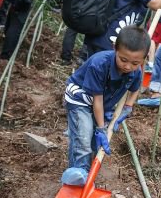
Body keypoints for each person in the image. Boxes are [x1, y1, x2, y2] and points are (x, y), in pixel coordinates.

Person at [61, 25, 150, 186]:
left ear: (144, 59)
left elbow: (134, 90)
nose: (128, 66)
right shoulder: (99, 64)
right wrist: (101, 128)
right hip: (80, 99)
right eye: (123, 59)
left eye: (135, 62)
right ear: (115, 49)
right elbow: (97, 100)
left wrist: (128, 107)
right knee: (83, 139)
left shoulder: (135, 72)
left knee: (95, 143)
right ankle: (78, 176)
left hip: (102, 105)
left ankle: (86, 172)